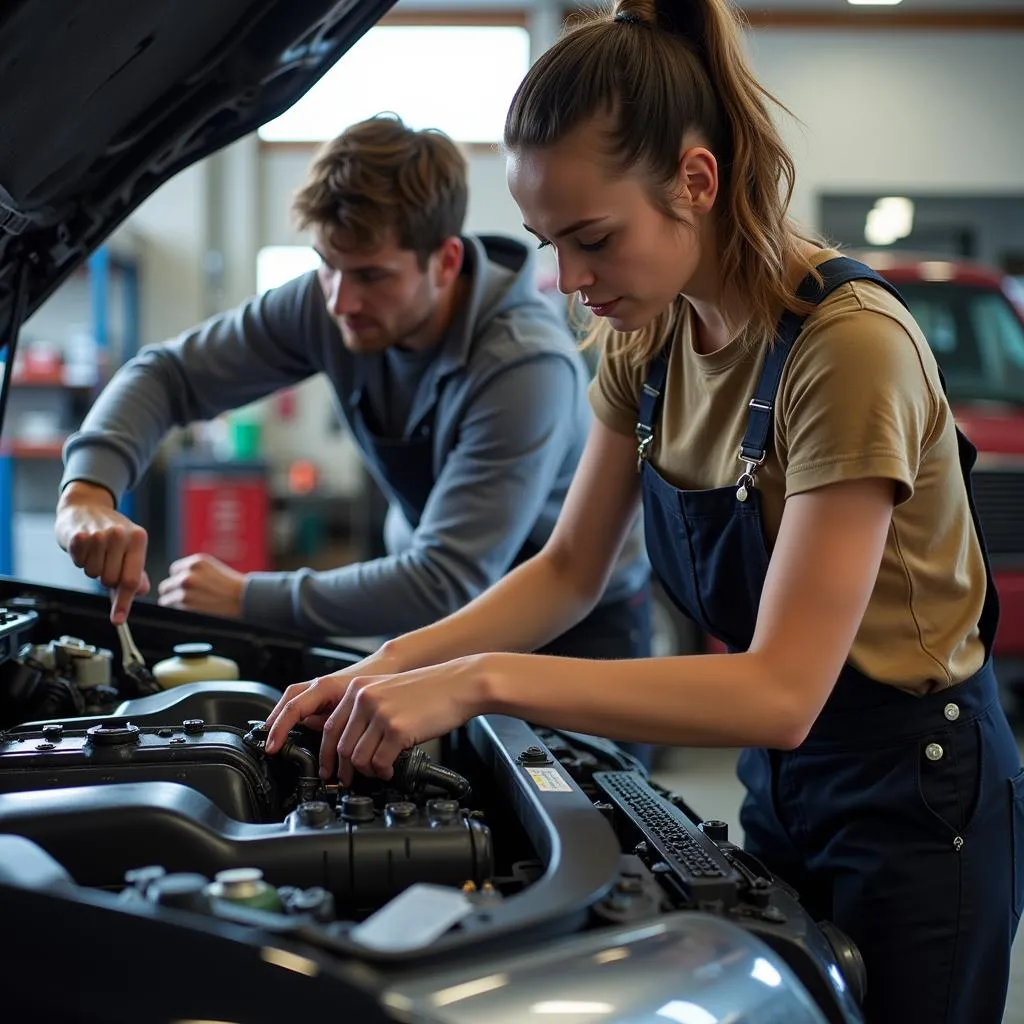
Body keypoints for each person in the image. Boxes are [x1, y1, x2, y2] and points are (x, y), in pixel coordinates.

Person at [261, 3, 1023, 1023]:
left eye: (593, 240)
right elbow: (570, 568)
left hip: (915, 795)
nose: (571, 284)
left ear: (695, 184)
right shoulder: (648, 339)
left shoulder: (845, 350)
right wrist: (387, 665)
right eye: (548, 245)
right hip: (785, 781)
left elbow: (781, 687)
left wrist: (477, 683)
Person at [53, 113, 652, 679]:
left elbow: (447, 578)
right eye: (326, 265)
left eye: (370, 275)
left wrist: (247, 597)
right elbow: (167, 376)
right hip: (444, 605)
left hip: (573, 631)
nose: (341, 301)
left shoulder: (523, 364)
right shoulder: (327, 303)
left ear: (444, 262)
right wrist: (88, 488)